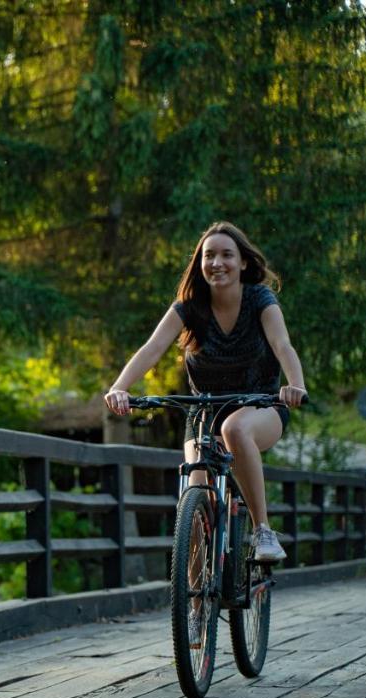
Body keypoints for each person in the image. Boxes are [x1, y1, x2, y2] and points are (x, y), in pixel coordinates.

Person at [104, 222, 307, 571]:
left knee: (235, 430)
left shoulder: (259, 299)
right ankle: (196, 607)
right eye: (209, 255)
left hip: (260, 408)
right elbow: (152, 348)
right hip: (204, 413)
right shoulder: (190, 306)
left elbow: (282, 344)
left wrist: (295, 384)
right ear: (199, 264)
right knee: (193, 505)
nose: (217, 263)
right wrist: (119, 387)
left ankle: (262, 531)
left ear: (243, 262)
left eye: (227, 255)